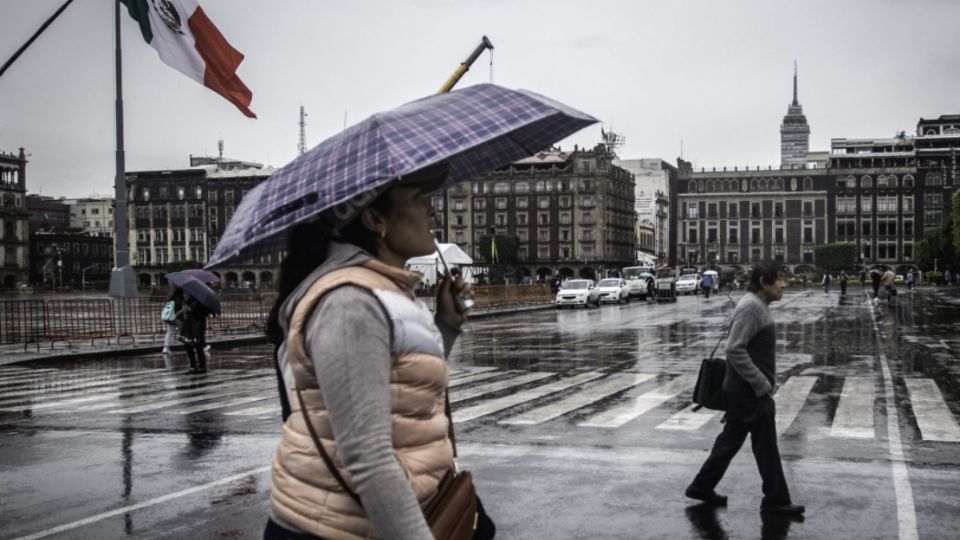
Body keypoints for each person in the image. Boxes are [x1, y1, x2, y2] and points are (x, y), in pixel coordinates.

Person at [262, 164, 494, 540]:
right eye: (418, 199)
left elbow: (403, 393)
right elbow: (368, 458)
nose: (431, 210)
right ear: (374, 219)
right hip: (336, 528)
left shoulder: (385, 289)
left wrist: (446, 326)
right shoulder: (351, 304)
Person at [686, 260, 805, 517]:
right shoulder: (752, 307)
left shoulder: (758, 305)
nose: (784, 284)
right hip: (749, 392)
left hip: (742, 390)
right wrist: (761, 384)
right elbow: (734, 349)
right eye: (780, 279)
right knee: (766, 447)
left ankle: (701, 486)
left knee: (730, 441)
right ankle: (775, 499)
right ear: (764, 282)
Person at [180, 293, 214, 373]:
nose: (186, 294)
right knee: (188, 344)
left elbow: (201, 313)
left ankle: (201, 366)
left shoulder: (200, 301)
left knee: (197, 345)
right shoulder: (188, 301)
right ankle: (193, 365)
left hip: (197, 325)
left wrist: (190, 309)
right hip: (189, 326)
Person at [162, 287, 184, 354]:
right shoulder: (179, 300)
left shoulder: (171, 299)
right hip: (177, 319)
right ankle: (192, 346)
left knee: (169, 332)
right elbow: (178, 311)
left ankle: (165, 348)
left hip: (169, 319)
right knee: (185, 332)